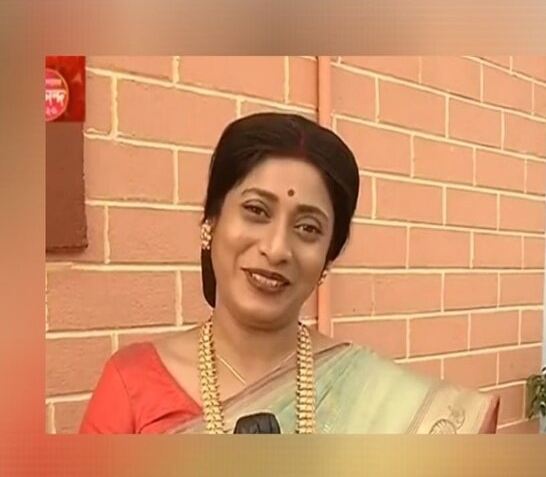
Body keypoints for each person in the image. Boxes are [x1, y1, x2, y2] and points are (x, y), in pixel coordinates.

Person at [79, 112, 499, 434]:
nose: (277, 248)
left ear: (327, 258)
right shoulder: (131, 385)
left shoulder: (377, 397)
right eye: (256, 210)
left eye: (308, 228)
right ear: (211, 222)